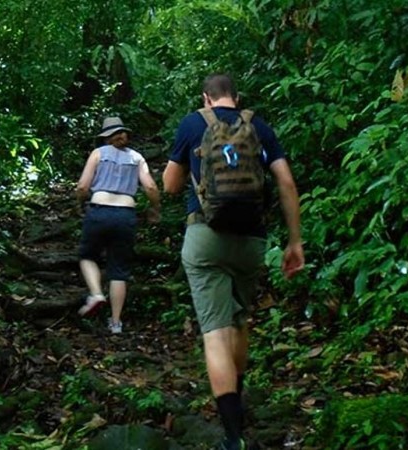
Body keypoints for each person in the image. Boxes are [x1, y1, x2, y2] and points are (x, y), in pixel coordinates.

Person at [163, 73, 305, 450]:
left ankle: (232, 436)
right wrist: (294, 241)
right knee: (239, 321)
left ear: (206, 98)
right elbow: (286, 183)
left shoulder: (192, 124)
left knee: (215, 332)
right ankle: (238, 405)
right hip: (251, 239)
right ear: (236, 98)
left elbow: (171, 185)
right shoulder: (259, 126)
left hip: (205, 236)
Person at [76, 116, 160, 334]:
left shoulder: (98, 153)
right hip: (125, 215)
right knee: (119, 269)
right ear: (124, 135)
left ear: (106, 137)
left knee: (88, 256)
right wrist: (155, 209)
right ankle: (115, 323)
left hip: (99, 211)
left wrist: (80, 203)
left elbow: (83, 186)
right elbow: (151, 187)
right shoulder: (137, 158)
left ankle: (96, 294)